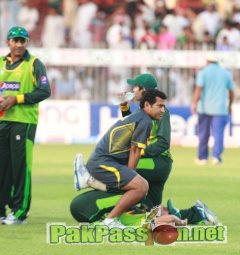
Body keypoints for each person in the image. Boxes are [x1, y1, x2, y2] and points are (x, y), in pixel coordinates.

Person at [74, 89, 167, 227]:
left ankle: (90, 180)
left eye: (163, 106)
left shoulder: (138, 116)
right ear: (147, 104)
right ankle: (110, 221)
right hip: (103, 163)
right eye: (160, 106)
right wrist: (132, 176)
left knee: (135, 186)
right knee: (141, 187)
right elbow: (135, 150)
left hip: (101, 162)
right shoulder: (146, 121)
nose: (163, 110)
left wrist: (123, 104)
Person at [0, 26, 51, 225]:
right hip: (3, 122)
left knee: (20, 168)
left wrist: (16, 99)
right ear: (8, 43)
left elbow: (44, 91)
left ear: (27, 43)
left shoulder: (34, 64)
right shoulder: (1, 64)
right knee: (2, 168)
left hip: (24, 123)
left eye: (22, 41)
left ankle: (20, 212)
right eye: (15, 41)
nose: (19, 44)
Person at [120, 73, 173, 210]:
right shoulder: (144, 110)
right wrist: (124, 106)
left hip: (158, 162)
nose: (133, 91)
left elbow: (163, 143)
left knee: (121, 170)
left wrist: (140, 153)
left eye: (135, 88)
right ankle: (196, 213)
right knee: (152, 211)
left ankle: (113, 211)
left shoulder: (161, 111)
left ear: (143, 90)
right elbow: (131, 127)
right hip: (154, 162)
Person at [70, 189, 218, 226]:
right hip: (90, 210)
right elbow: (170, 217)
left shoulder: (146, 220)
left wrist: (180, 222)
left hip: (86, 209)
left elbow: (171, 217)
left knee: (135, 190)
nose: (163, 207)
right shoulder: (145, 216)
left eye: (165, 209)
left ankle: (90, 178)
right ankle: (197, 213)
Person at [191, 53, 234, 165]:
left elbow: (198, 89)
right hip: (220, 109)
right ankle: (216, 157)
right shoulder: (226, 73)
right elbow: (231, 91)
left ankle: (202, 158)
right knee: (218, 134)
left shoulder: (203, 73)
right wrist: (230, 105)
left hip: (204, 108)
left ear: (208, 61)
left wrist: (194, 103)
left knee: (203, 134)